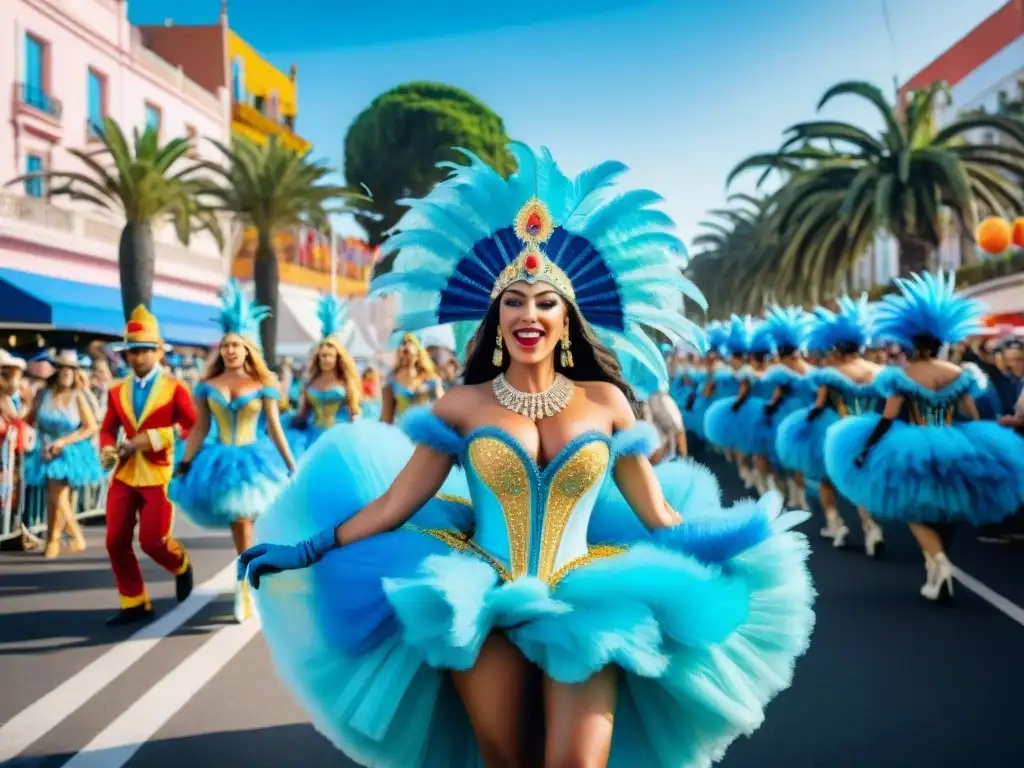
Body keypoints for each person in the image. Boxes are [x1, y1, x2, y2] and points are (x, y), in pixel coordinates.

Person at [238, 144, 814, 767]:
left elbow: (660, 520)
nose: (529, 313)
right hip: (476, 596)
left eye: (545, 302)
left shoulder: (608, 403)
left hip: (587, 597)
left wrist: (743, 539)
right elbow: (393, 506)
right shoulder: (462, 405)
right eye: (514, 301)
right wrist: (306, 550)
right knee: (505, 760)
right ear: (496, 316)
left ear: (567, 320)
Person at [825, 272, 1024, 599]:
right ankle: (936, 567)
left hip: (912, 444)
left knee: (914, 510)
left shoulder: (902, 375)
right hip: (955, 441)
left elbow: (888, 418)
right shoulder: (960, 373)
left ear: (912, 343)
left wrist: (867, 447)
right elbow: (972, 414)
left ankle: (938, 561)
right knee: (947, 508)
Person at [170, 281, 296, 623]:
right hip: (220, 462)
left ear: (246, 349)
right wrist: (185, 462)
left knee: (247, 523)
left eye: (236, 345)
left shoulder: (263, 386)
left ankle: (247, 582)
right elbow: (199, 429)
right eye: (225, 345)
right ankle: (249, 580)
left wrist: (291, 466)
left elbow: (275, 428)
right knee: (240, 524)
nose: (230, 350)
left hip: (255, 462)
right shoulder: (207, 387)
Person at [99, 306, 197, 626]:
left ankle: (180, 563)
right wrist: (107, 449)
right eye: (132, 351)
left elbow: (193, 425)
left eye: (143, 350)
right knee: (115, 540)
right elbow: (106, 429)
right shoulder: (117, 391)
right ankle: (134, 600)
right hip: (126, 472)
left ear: (158, 352)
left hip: (159, 473)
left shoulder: (175, 388)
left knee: (153, 541)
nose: (137, 357)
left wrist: (159, 437)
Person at [23, 350, 105, 558]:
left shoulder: (78, 395)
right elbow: (29, 419)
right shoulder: (43, 393)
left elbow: (90, 426)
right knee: (54, 497)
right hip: (45, 448)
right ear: (56, 370)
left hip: (70, 451)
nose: (66, 373)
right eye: (63, 368)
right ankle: (54, 540)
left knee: (57, 493)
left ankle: (71, 536)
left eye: (71, 369)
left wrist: (63, 442)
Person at [285, 295, 362, 456]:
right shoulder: (310, 382)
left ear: (337, 358)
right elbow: (303, 413)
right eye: (322, 355)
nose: (325, 359)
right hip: (311, 437)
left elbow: (354, 412)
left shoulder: (346, 382)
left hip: (338, 438)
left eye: (329, 355)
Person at [379, 333, 445, 423]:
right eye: (402, 345)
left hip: (425, 431)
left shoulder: (431, 380)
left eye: (409, 343)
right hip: (401, 432)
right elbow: (386, 420)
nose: (404, 348)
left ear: (418, 353)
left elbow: (444, 411)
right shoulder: (392, 381)